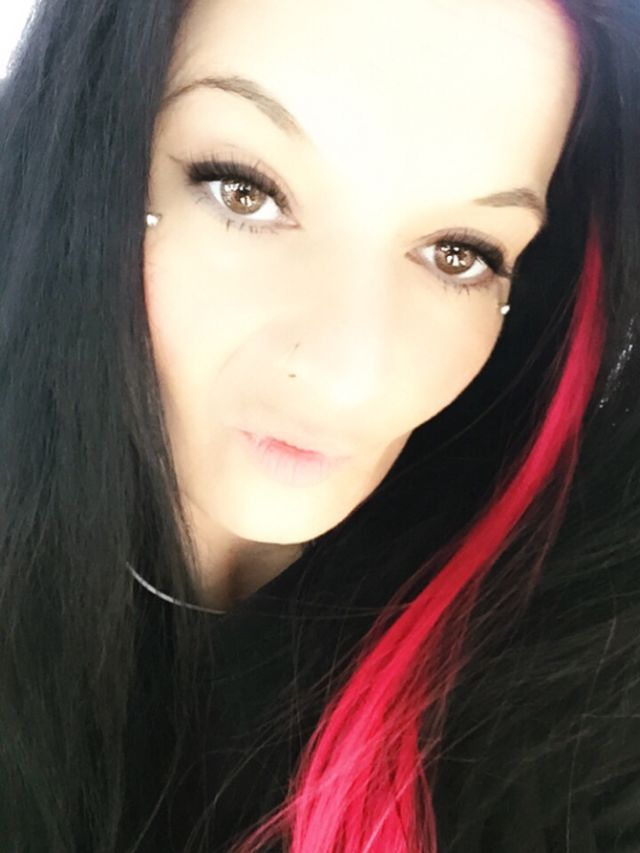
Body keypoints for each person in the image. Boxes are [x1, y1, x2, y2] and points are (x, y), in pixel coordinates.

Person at [0, 0, 638, 850]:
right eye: (245, 190)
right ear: (88, 158)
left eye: (460, 252)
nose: (350, 376)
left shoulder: (567, 683)